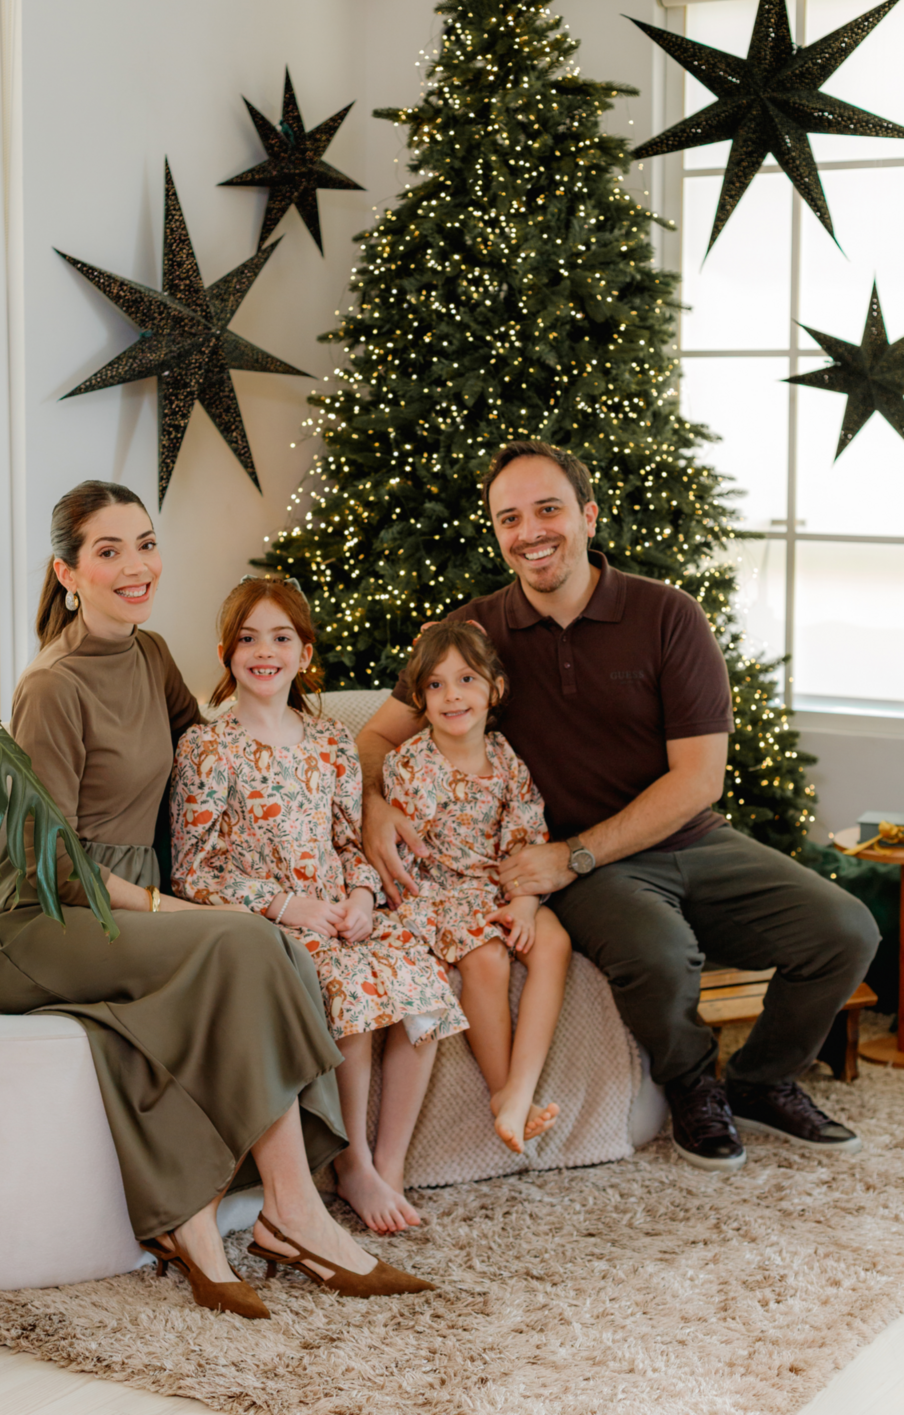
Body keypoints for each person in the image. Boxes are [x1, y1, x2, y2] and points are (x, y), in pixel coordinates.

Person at [0, 482, 430, 1317]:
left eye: (144, 543)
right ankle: (294, 1210)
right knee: (245, 940)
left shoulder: (148, 654)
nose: (135, 566)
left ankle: (282, 1210)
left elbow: (225, 747)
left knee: (260, 946)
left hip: (132, 898)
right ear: (66, 572)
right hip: (43, 919)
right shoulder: (53, 687)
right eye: (108, 551)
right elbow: (55, 865)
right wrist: (182, 911)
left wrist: (363, 799)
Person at [357, 440, 879, 1171]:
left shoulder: (668, 616)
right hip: (594, 872)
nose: (530, 531)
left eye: (548, 509)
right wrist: (376, 804)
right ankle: (693, 1085)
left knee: (845, 928)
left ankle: (760, 1081)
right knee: (658, 954)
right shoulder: (477, 631)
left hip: (682, 840)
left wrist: (571, 856)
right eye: (510, 518)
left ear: (588, 515)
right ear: (496, 534)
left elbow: (697, 780)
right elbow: (377, 736)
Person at [171, 577, 465, 1236]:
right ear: (225, 653)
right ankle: (350, 1161)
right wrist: (286, 906)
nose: (263, 651)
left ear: (304, 654)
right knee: (351, 991)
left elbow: (345, 837)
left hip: (341, 913)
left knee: (421, 978)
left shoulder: (331, 742)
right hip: (271, 925)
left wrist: (361, 894)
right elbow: (193, 869)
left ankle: (388, 1163)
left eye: (280, 638)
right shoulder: (207, 747)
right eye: (248, 639)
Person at [382, 622, 572, 1155]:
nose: (452, 695)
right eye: (436, 685)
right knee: (487, 958)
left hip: (497, 884)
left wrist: (526, 905)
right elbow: (402, 853)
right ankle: (501, 1093)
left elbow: (527, 833)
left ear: (495, 689)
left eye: (466, 679)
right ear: (419, 698)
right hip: (436, 890)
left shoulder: (505, 758)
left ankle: (521, 1088)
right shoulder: (412, 765)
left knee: (553, 942)